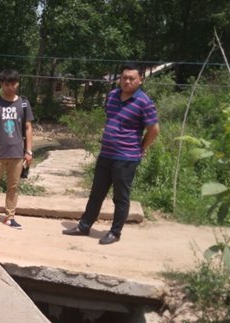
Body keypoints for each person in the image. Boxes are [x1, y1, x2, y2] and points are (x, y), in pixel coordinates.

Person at [62, 63, 159, 245]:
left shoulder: (144, 102)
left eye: (131, 78)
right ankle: (84, 226)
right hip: (106, 154)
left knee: (120, 197)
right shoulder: (112, 96)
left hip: (126, 158)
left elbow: (154, 130)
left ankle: (115, 232)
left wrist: (141, 148)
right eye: (124, 78)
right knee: (96, 193)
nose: (127, 81)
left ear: (140, 80)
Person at [0, 68, 34, 230]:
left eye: (13, 84)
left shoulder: (24, 104)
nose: (10, 87)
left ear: (17, 84)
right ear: (1, 84)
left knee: (13, 186)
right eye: (7, 84)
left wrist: (29, 151)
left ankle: (10, 217)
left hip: (17, 153)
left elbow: (28, 128)